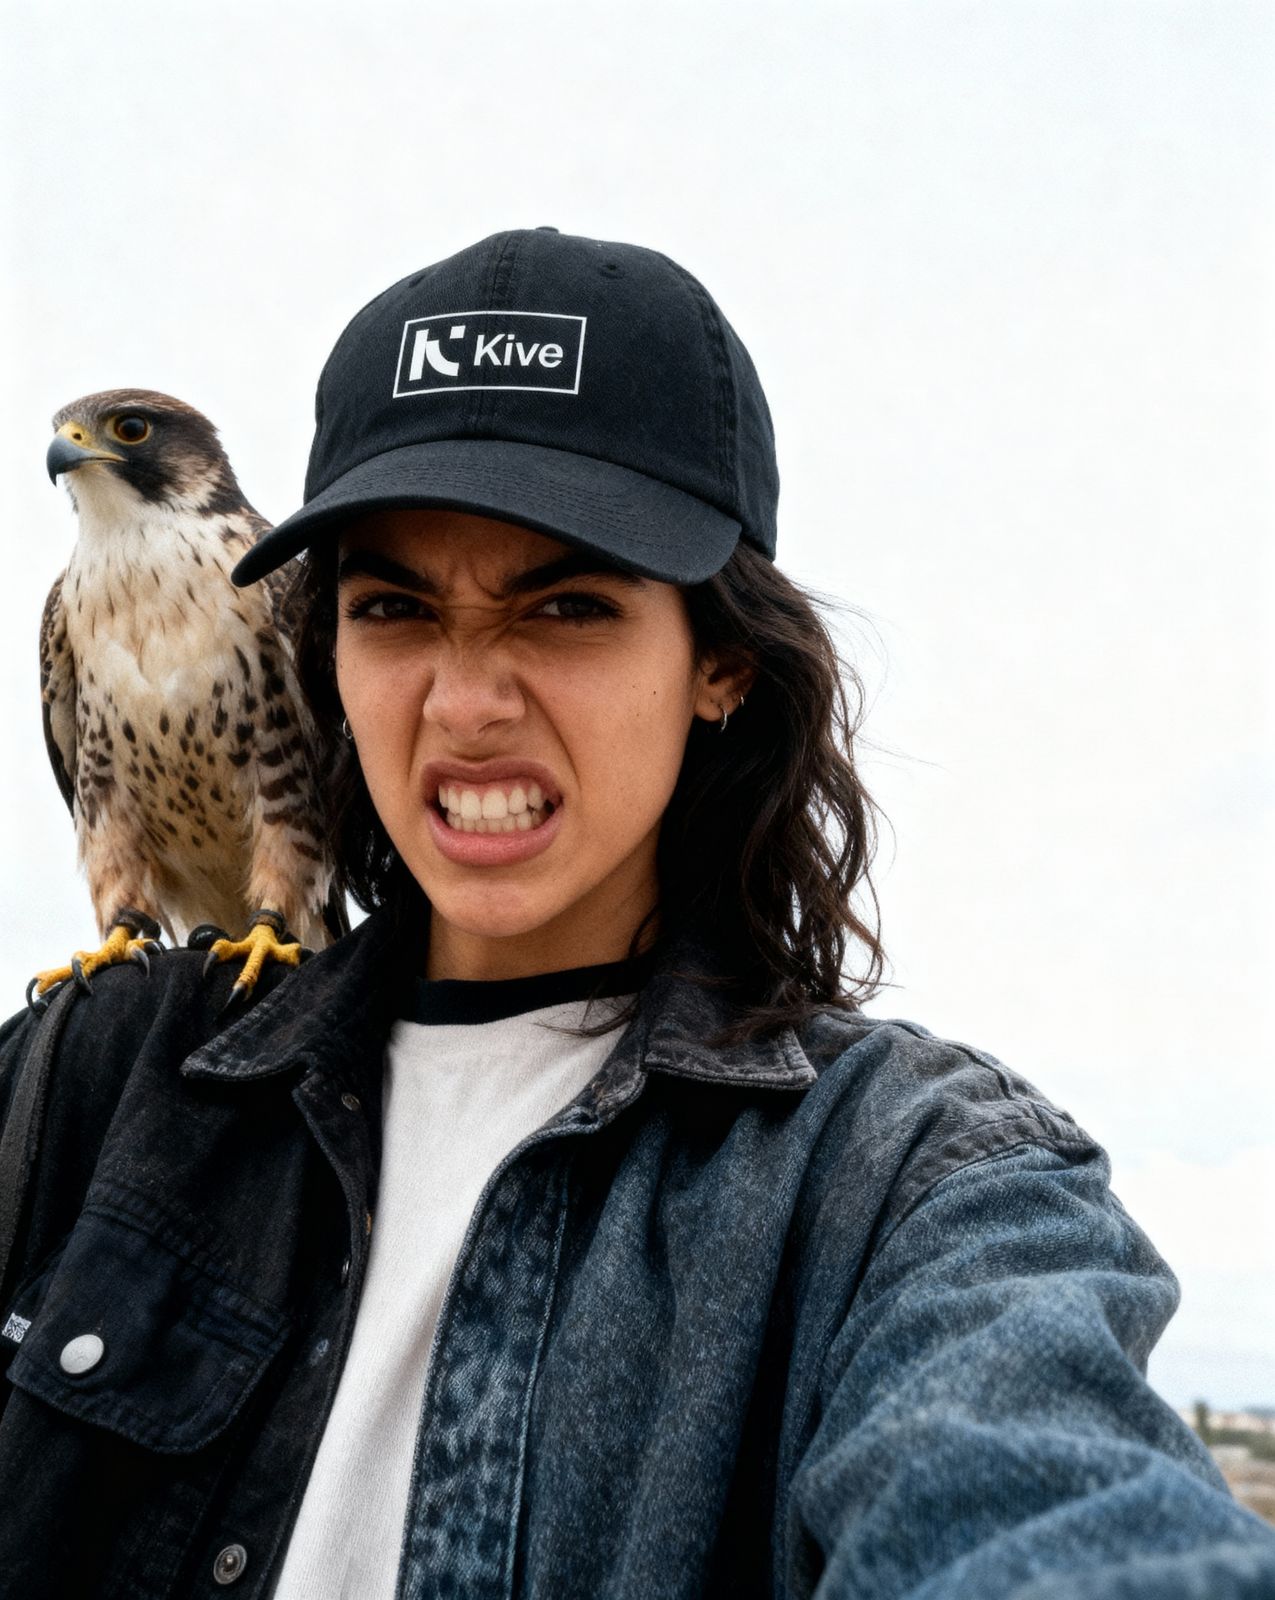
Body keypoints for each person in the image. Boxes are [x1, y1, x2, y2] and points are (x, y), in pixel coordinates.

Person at [0, 226, 1271, 1600]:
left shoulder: (903, 1182)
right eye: (396, 608)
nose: (466, 707)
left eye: (566, 607)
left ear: (721, 662)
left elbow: (1038, 1496)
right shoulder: (90, 1075)